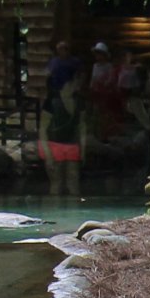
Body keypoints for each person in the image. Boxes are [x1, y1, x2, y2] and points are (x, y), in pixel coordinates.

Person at [41, 41, 84, 196]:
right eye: (60, 49)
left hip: (71, 143)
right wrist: (47, 153)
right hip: (55, 143)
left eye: (65, 49)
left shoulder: (78, 102)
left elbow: (81, 127)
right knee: (56, 182)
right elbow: (43, 130)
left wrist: (82, 149)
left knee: (73, 181)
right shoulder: (52, 102)